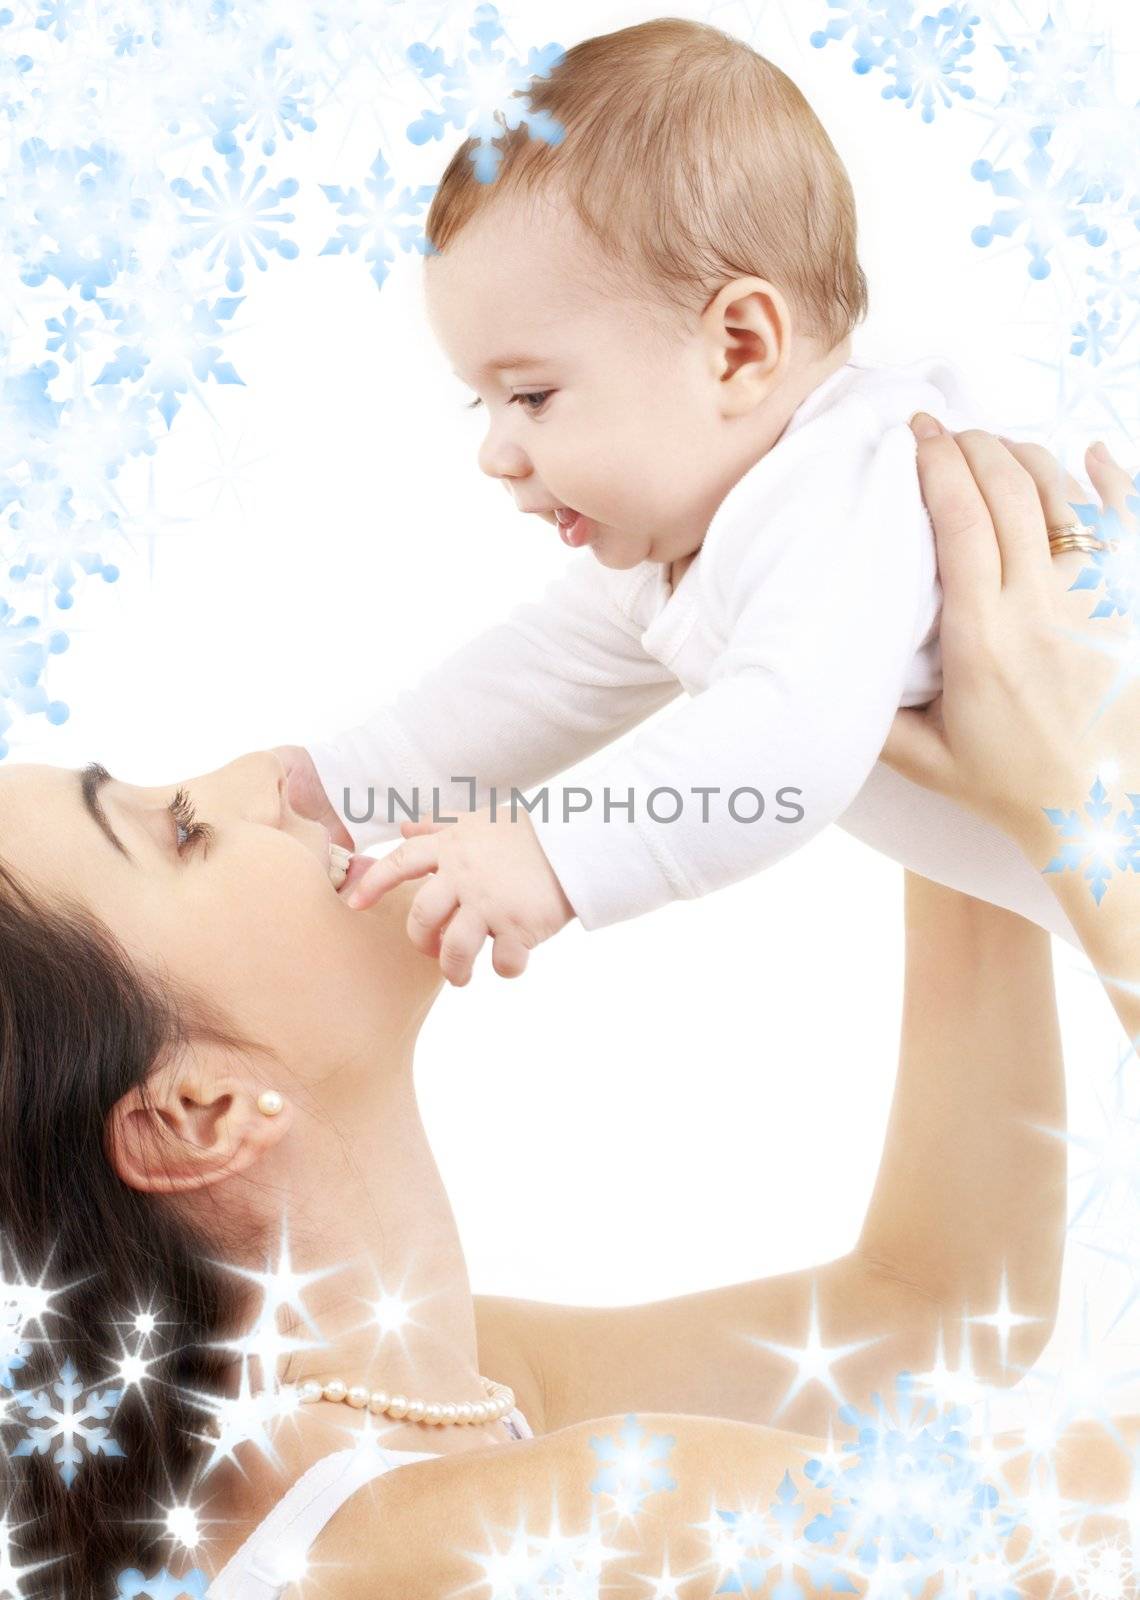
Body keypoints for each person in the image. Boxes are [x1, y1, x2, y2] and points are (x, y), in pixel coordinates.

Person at [0, 430, 1135, 1596]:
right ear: (201, 1112)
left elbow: (938, 1314)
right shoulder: (538, 1534)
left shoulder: (408, 1420)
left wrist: (919, 696)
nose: (259, 772)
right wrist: (1099, 791)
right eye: (178, 828)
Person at [287, 16, 1116, 987]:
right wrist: (339, 787)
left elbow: (785, 744)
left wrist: (557, 852)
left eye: (534, 396)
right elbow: (534, 679)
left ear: (738, 350)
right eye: (485, 401)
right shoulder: (690, 539)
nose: (496, 453)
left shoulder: (843, 492)